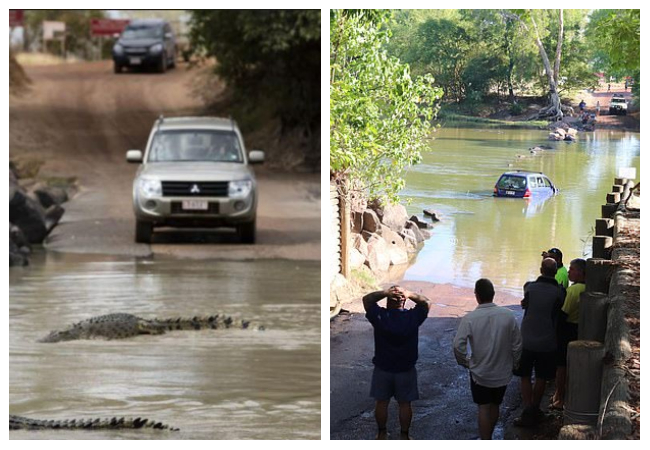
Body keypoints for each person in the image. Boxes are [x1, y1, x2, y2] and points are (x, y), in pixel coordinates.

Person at [453, 278, 522, 440]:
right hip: (502, 372)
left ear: (477, 296)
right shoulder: (508, 315)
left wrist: (466, 362)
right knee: (495, 405)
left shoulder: (470, 318)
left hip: (480, 374)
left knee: (483, 408)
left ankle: (486, 440)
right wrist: (515, 363)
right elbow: (517, 344)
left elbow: (457, 346)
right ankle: (489, 436)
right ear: (493, 294)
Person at [363, 285, 431, 440]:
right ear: (404, 302)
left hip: (383, 368)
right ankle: (404, 436)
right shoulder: (412, 318)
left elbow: (366, 300)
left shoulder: (380, 316)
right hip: (406, 369)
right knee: (405, 404)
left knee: (381, 402)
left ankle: (381, 433)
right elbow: (426, 303)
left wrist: (385, 292)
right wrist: (409, 293)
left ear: (387, 302)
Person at [514, 258, 565, 427]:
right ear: (556, 272)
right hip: (547, 341)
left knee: (525, 376)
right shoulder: (560, 292)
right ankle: (535, 409)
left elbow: (525, 303)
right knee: (542, 377)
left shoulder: (529, 287)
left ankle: (528, 409)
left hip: (526, 339)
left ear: (540, 269)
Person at [550, 258, 587, 410]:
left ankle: (560, 397)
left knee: (561, 365)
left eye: (572, 269)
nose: (569, 272)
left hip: (567, 329)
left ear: (580, 272)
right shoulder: (587, 287)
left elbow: (563, 314)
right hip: (580, 328)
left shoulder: (573, 291)